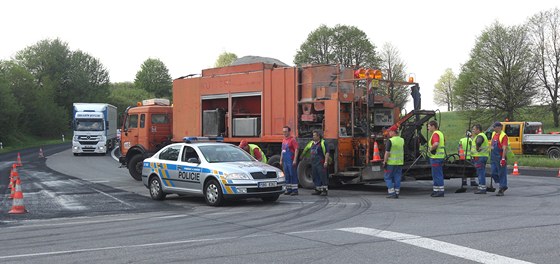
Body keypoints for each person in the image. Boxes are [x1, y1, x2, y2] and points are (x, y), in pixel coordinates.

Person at [301, 130, 330, 196]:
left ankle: (324, 190)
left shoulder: (323, 143)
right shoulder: (311, 143)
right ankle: (318, 190)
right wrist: (302, 156)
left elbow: (327, 152)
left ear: (318, 136)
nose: (313, 136)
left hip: (321, 162)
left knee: (322, 176)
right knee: (315, 176)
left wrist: (326, 161)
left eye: (314, 135)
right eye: (313, 135)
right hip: (314, 163)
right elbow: (306, 149)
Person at [382, 125, 404, 199]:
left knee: (387, 177)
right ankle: (397, 192)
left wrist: (384, 161)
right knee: (397, 177)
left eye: (389, 132)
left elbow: (387, 152)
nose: (389, 133)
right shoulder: (402, 140)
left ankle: (392, 192)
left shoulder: (390, 141)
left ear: (393, 132)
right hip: (400, 162)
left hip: (391, 163)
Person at [490, 122, 509, 196]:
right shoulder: (493, 134)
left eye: (494, 127)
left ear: (499, 127)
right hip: (493, 157)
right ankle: (502, 184)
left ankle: (502, 188)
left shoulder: (503, 136)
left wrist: (503, 158)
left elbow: (504, 148)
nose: (493, 128)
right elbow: (492, 145)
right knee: (493, 173)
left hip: (500, 157)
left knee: (502, 173)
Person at [427, 120, 446, 197]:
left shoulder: (435, 134)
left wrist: (430, 149)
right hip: (439, 157)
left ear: (433, 126)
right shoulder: (440, 133)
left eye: (429, 126)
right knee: (437, 174)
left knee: (437, 175)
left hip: (436, 157)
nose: (428, 128)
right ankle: (436, 190)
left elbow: (436, 144)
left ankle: (440, 191)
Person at [279, 126, 299, 196]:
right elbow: (282, 150)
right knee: (287, 175)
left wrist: (295, 160)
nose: (284, 133)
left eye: (286, 131)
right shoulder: (284, 140)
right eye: (283, 131)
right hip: (285, 161)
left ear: (289, 132)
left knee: (292, 174)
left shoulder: (292, 140)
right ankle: (289, 189)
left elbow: (296, 149)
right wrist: (281, 160)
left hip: (290, 160)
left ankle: (295, 190)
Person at [471, 124, 489, 194]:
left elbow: (478, 142)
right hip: (482, 156)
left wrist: (477, 148)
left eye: (474, 129)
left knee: (480, 173)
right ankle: (482, 187)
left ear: (478, 129)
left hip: (480, 157)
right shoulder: (481, 135)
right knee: (481, 172)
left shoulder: (480, 136)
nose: (473, 130)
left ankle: (482, 188)